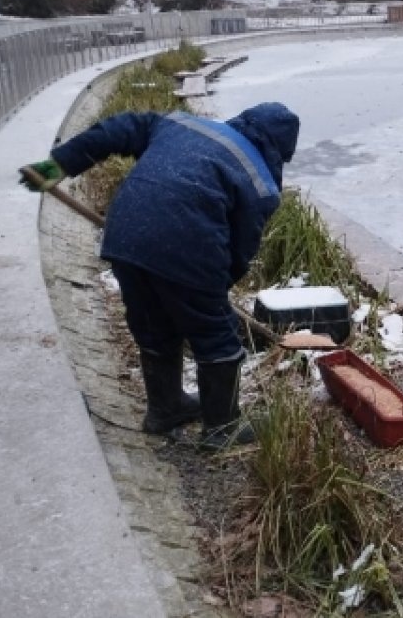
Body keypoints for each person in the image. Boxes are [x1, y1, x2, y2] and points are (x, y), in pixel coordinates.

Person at [21, 102, 300, 450]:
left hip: (124, 236)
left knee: (153, 324)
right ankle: (222, 429)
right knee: (217, 336)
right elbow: (239, 251)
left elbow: (117, 129)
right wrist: (212, 295)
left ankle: (165, 408)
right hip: (186, 242)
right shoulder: (260, 183)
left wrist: (58, 164)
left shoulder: (180, 123)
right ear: (279, 149)